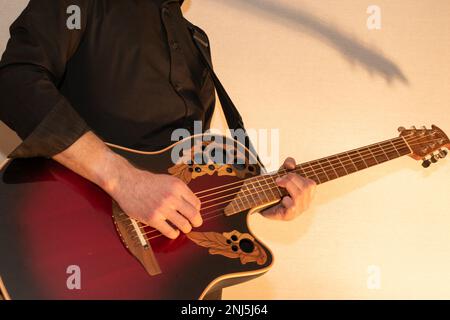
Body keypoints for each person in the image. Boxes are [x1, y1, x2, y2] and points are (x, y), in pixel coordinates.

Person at [0, 0, 316, 298]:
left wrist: (264, 194)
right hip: (71, 248)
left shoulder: (196, 42)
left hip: (175, 277)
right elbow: (15, 83)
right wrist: (122, 179)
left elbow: (188, 166)